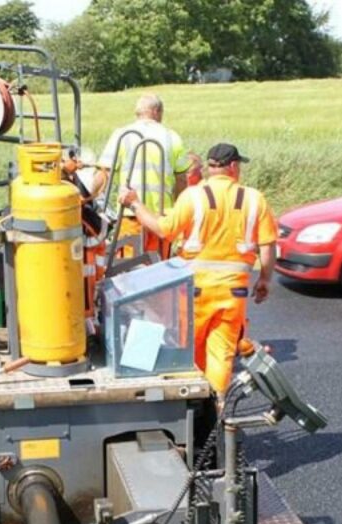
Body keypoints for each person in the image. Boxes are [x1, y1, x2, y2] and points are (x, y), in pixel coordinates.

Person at [120, 143, 278, 395]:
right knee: (221, 356)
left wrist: (136, 204)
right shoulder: (254, 198)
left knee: (186, 353)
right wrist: (265, 280)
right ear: (234, 167)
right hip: (233, 292)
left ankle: (188, 409)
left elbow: (163, 229)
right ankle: (216, 410)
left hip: (194, 290)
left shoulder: (193, 196)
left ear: (210, 168)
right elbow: (268, 246)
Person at [95, 94, 192, 258]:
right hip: (160, 217)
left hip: (130, 214)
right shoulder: (171, 137)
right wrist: (178, 210)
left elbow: (104, 173)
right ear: (156, 111)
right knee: (158, 268)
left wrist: (87, 198)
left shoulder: (122, 135)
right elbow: (181, 179)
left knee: (127, 268)